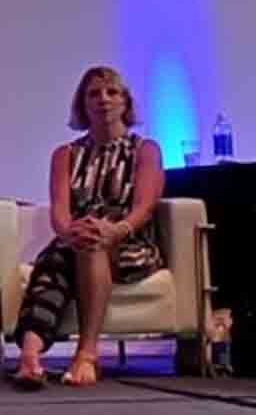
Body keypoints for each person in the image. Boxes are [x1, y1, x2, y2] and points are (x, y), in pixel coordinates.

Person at [12, 65, 164, 389]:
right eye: (93, 93)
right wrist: (70, 232)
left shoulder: (145, 150)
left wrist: (113, 230)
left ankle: (87, 354)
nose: (103, 100)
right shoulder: (65, 155)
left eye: (112, 92)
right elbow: (59, 213)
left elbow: (145, 208)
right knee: (53, 264)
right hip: (76, 238)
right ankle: (30, 358)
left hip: (128, 241)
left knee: (91, 246)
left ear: (126, 102)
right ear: (82, 104)